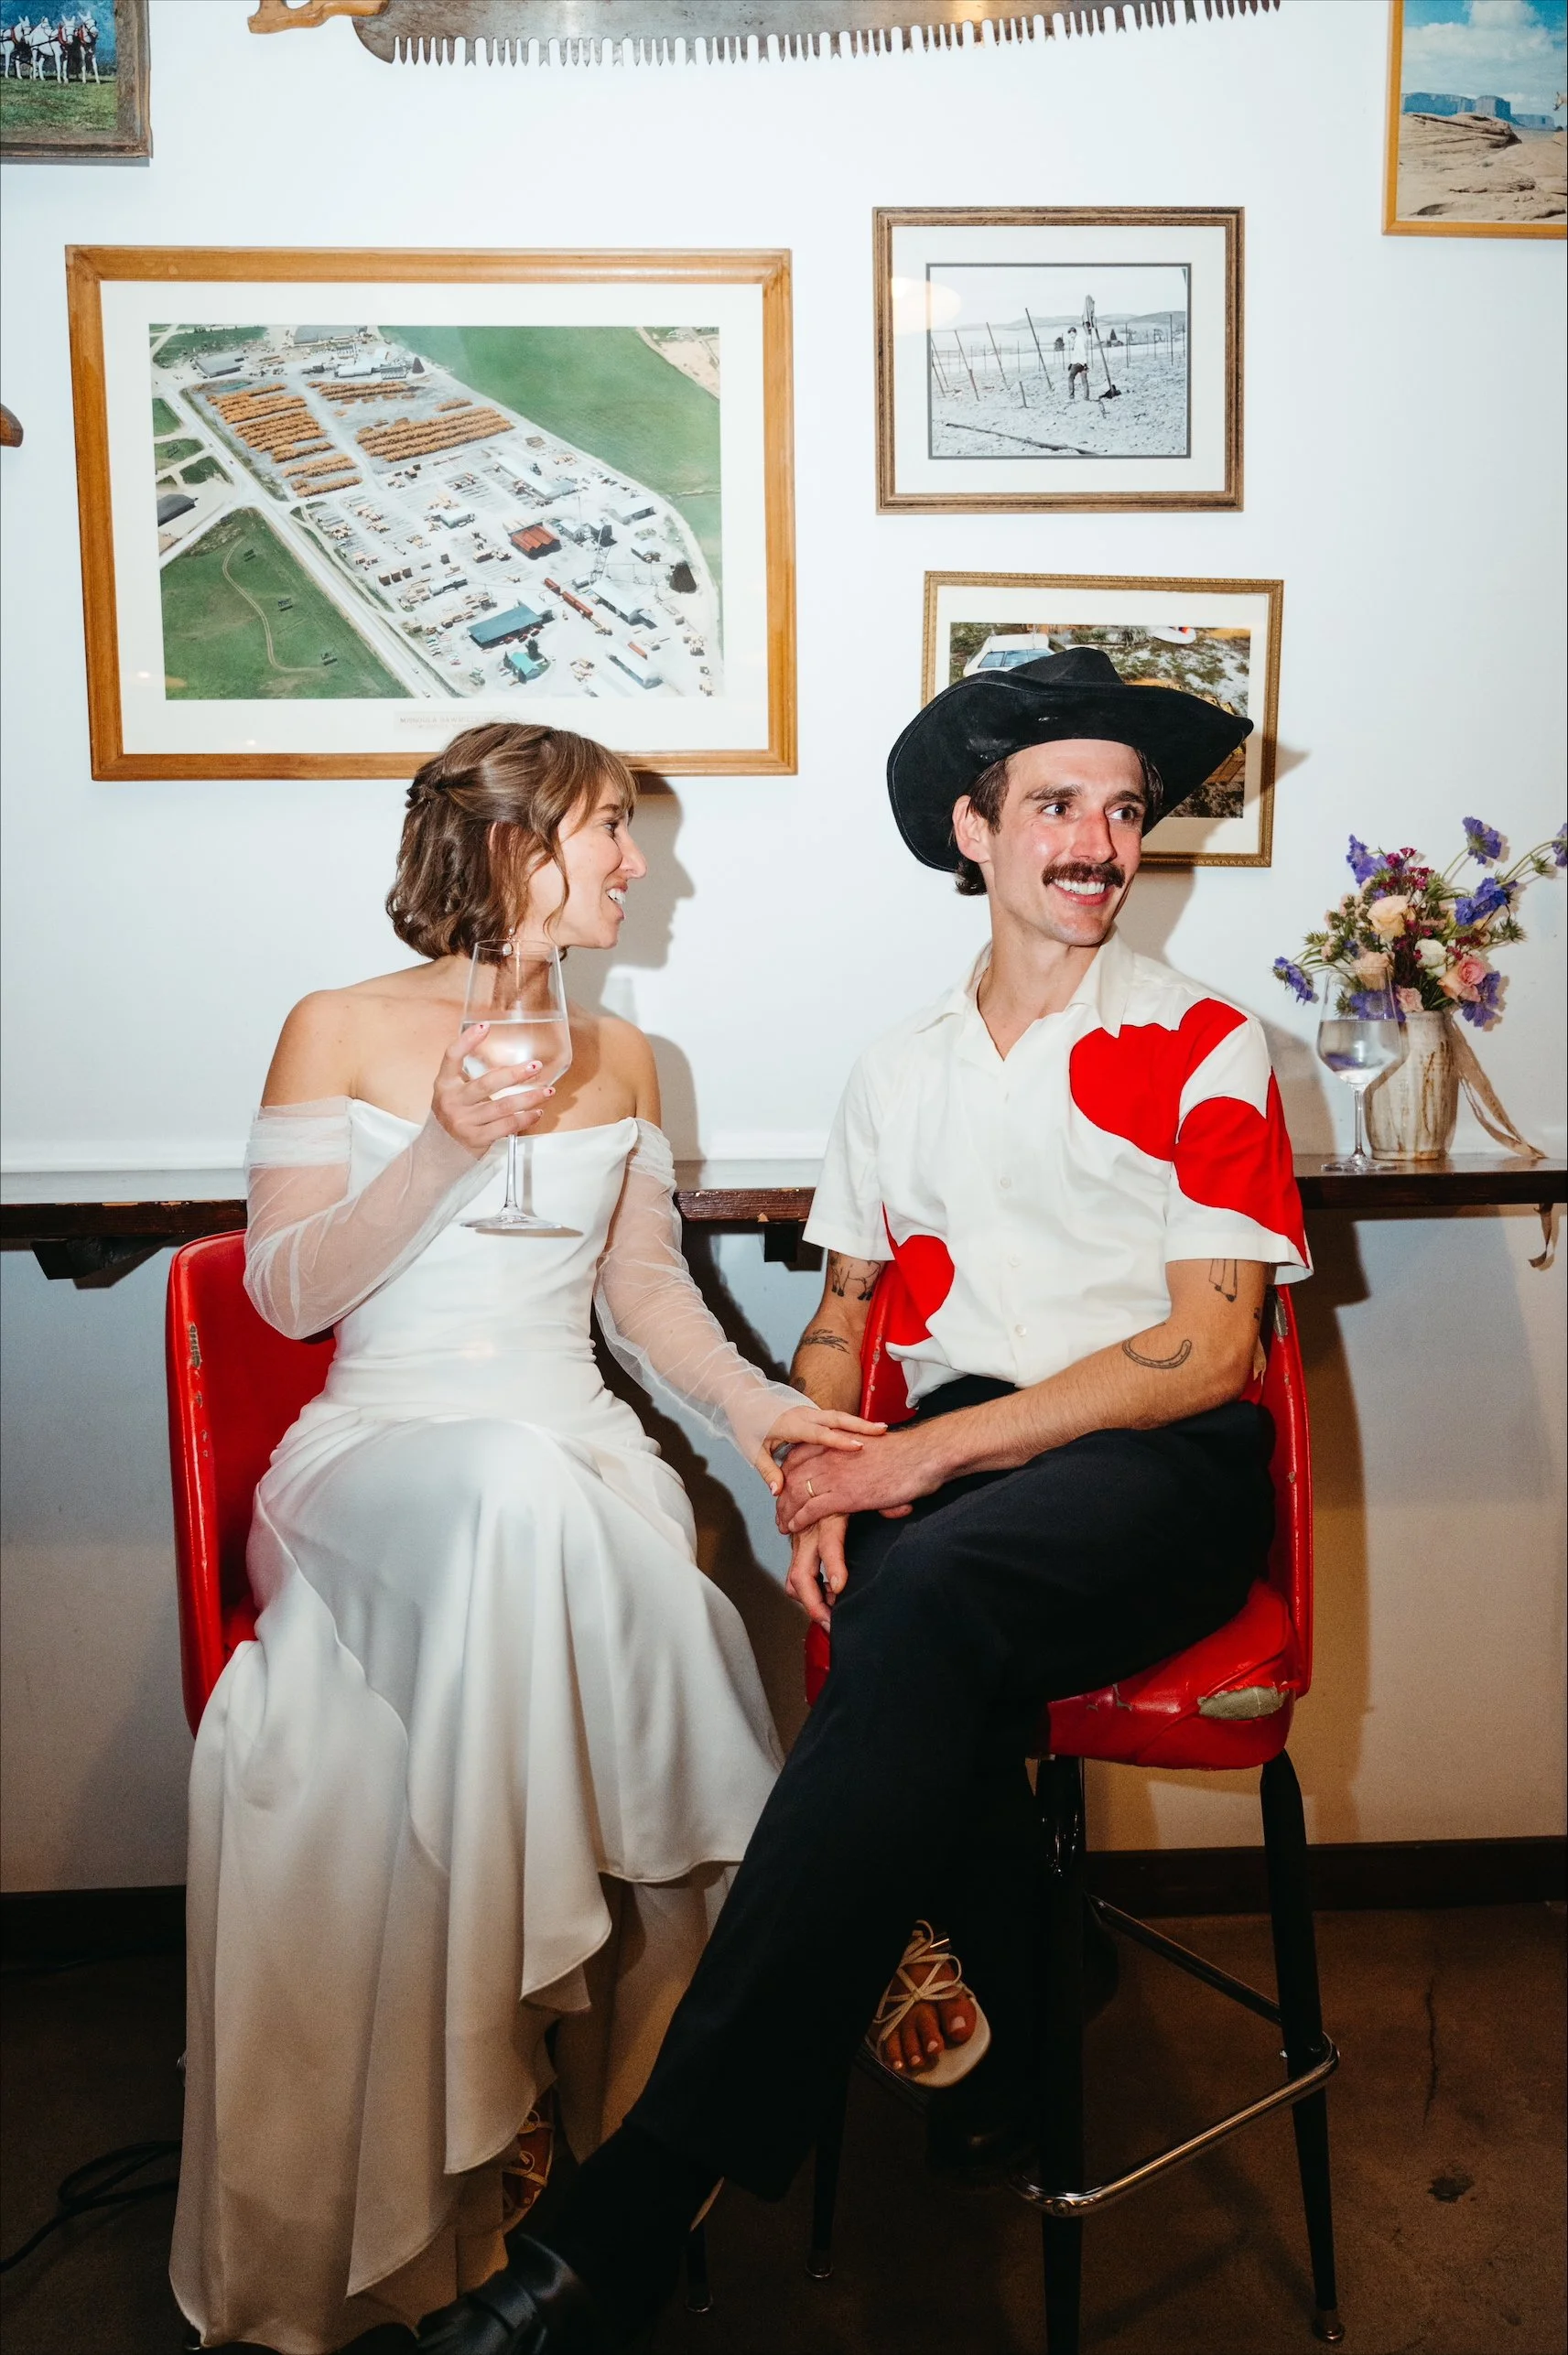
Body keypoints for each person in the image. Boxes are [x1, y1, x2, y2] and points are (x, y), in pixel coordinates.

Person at [428, 647, 1312, 2355]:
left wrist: (905, 1467)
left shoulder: (1212, 1047)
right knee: (915, 1599)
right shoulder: (895, 1068)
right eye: (1056, 805)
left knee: (932, 1597)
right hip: (964, 1476)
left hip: (1150, 1476)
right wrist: (827, 1469)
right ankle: (1037, 2010)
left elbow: (1209, 1351)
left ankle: (649, 2186)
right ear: (973, 833)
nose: (1098, 843)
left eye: (1124, 813)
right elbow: (841, 1326)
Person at [168, 722, 884, 2354]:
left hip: (572, 1445)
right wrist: (442, 1143)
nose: (642, 866)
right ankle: (807, 1900)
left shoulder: (630, 1062)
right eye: (613, 831)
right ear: (508, 845)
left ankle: (571, 2143)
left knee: (599, 1534)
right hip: (381, 1457)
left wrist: (768, 1415)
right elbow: (285, 1294)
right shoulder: (337, 1028)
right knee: (517, 1505)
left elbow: (646, 1304)